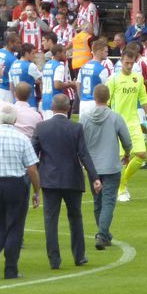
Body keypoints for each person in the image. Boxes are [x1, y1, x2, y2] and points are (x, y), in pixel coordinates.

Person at [31, 94, 100, 269]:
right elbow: (84, 154)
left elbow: (32, 155)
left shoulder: (41, 127)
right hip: (72, 178)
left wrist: (40, 171)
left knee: (50, 220)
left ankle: (54, 259)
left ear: (52, 108)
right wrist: (95, 178)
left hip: (49, 180)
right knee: (75, 217)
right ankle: (79, 256)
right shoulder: (76, 128)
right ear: (68, 108)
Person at [0, 104, 41, 279]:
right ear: (15, 120)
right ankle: (10, 268)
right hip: (16, 185)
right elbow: (32, 169)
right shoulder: (22, 139)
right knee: (14, 228)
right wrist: (36, 190)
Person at [81, 84, 132, 249]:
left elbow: (80, 141)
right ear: (108, 98)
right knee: (108, 201)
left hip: (92, 167)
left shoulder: (84, 118)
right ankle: (102, 234)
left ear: (94, 98)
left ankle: (104, 234)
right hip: (111, 165)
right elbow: (127, 140)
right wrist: (127, 154)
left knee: (98, 201)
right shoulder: (115, 117)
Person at [107, 47, 147, 202]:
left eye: (131, 63)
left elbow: (143, 98)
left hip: (134, 122)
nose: (128, 65)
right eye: (126, 63)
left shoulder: (138, 78)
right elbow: (106, 102)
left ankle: (123, 183)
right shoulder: (113, 79)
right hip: (118, 123)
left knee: (141, 155)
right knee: (122, 158)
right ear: (121, 61)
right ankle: (121, 190)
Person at [77, 39, 112, 119]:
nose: (107, 53)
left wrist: (81, 98)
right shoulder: (101, 69)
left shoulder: (83, 66)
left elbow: (78, 83)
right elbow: (106, 88)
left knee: (84, 128)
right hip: (95, 103)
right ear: (100, 51)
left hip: (83, 102)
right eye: (106, 51)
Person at [41, 44, 76, 120]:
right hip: (55, 102)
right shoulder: (59, 66)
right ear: (58, 53)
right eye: (64, 52)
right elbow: (57, 85)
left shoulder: (46, 65)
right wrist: (70, 84)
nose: (65, 54)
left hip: (45, 100)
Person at [8, 43, 43, 110]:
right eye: (32, 53)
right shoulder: (30, 66)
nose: (34, 56)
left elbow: (11, 85)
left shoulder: (13, 65)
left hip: (16, 103)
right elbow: (43, 79)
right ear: (27, 53)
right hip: (30, 103)